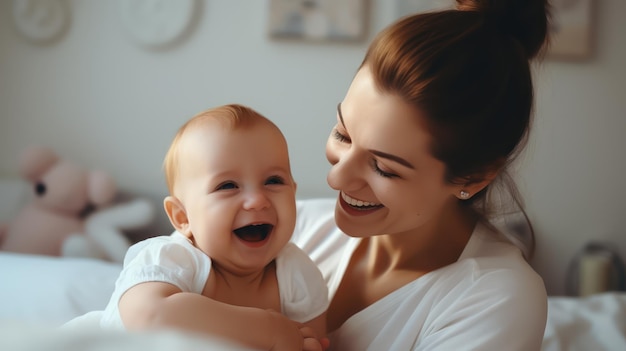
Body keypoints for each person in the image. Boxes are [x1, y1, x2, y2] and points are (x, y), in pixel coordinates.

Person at [289, 0, 552, 350]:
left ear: (473, 177)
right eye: (343, 135)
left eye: (384, 168)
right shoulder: (296, 227)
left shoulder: (497, 298)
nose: (336, 179)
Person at [100, 104, 329, 351]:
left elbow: (305, 340)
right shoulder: (174, 260)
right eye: (227, 186)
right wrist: (268, 328)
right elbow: (149, 316)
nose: (257, 200)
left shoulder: (297, 275)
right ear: (182, 217)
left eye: (273, 181)